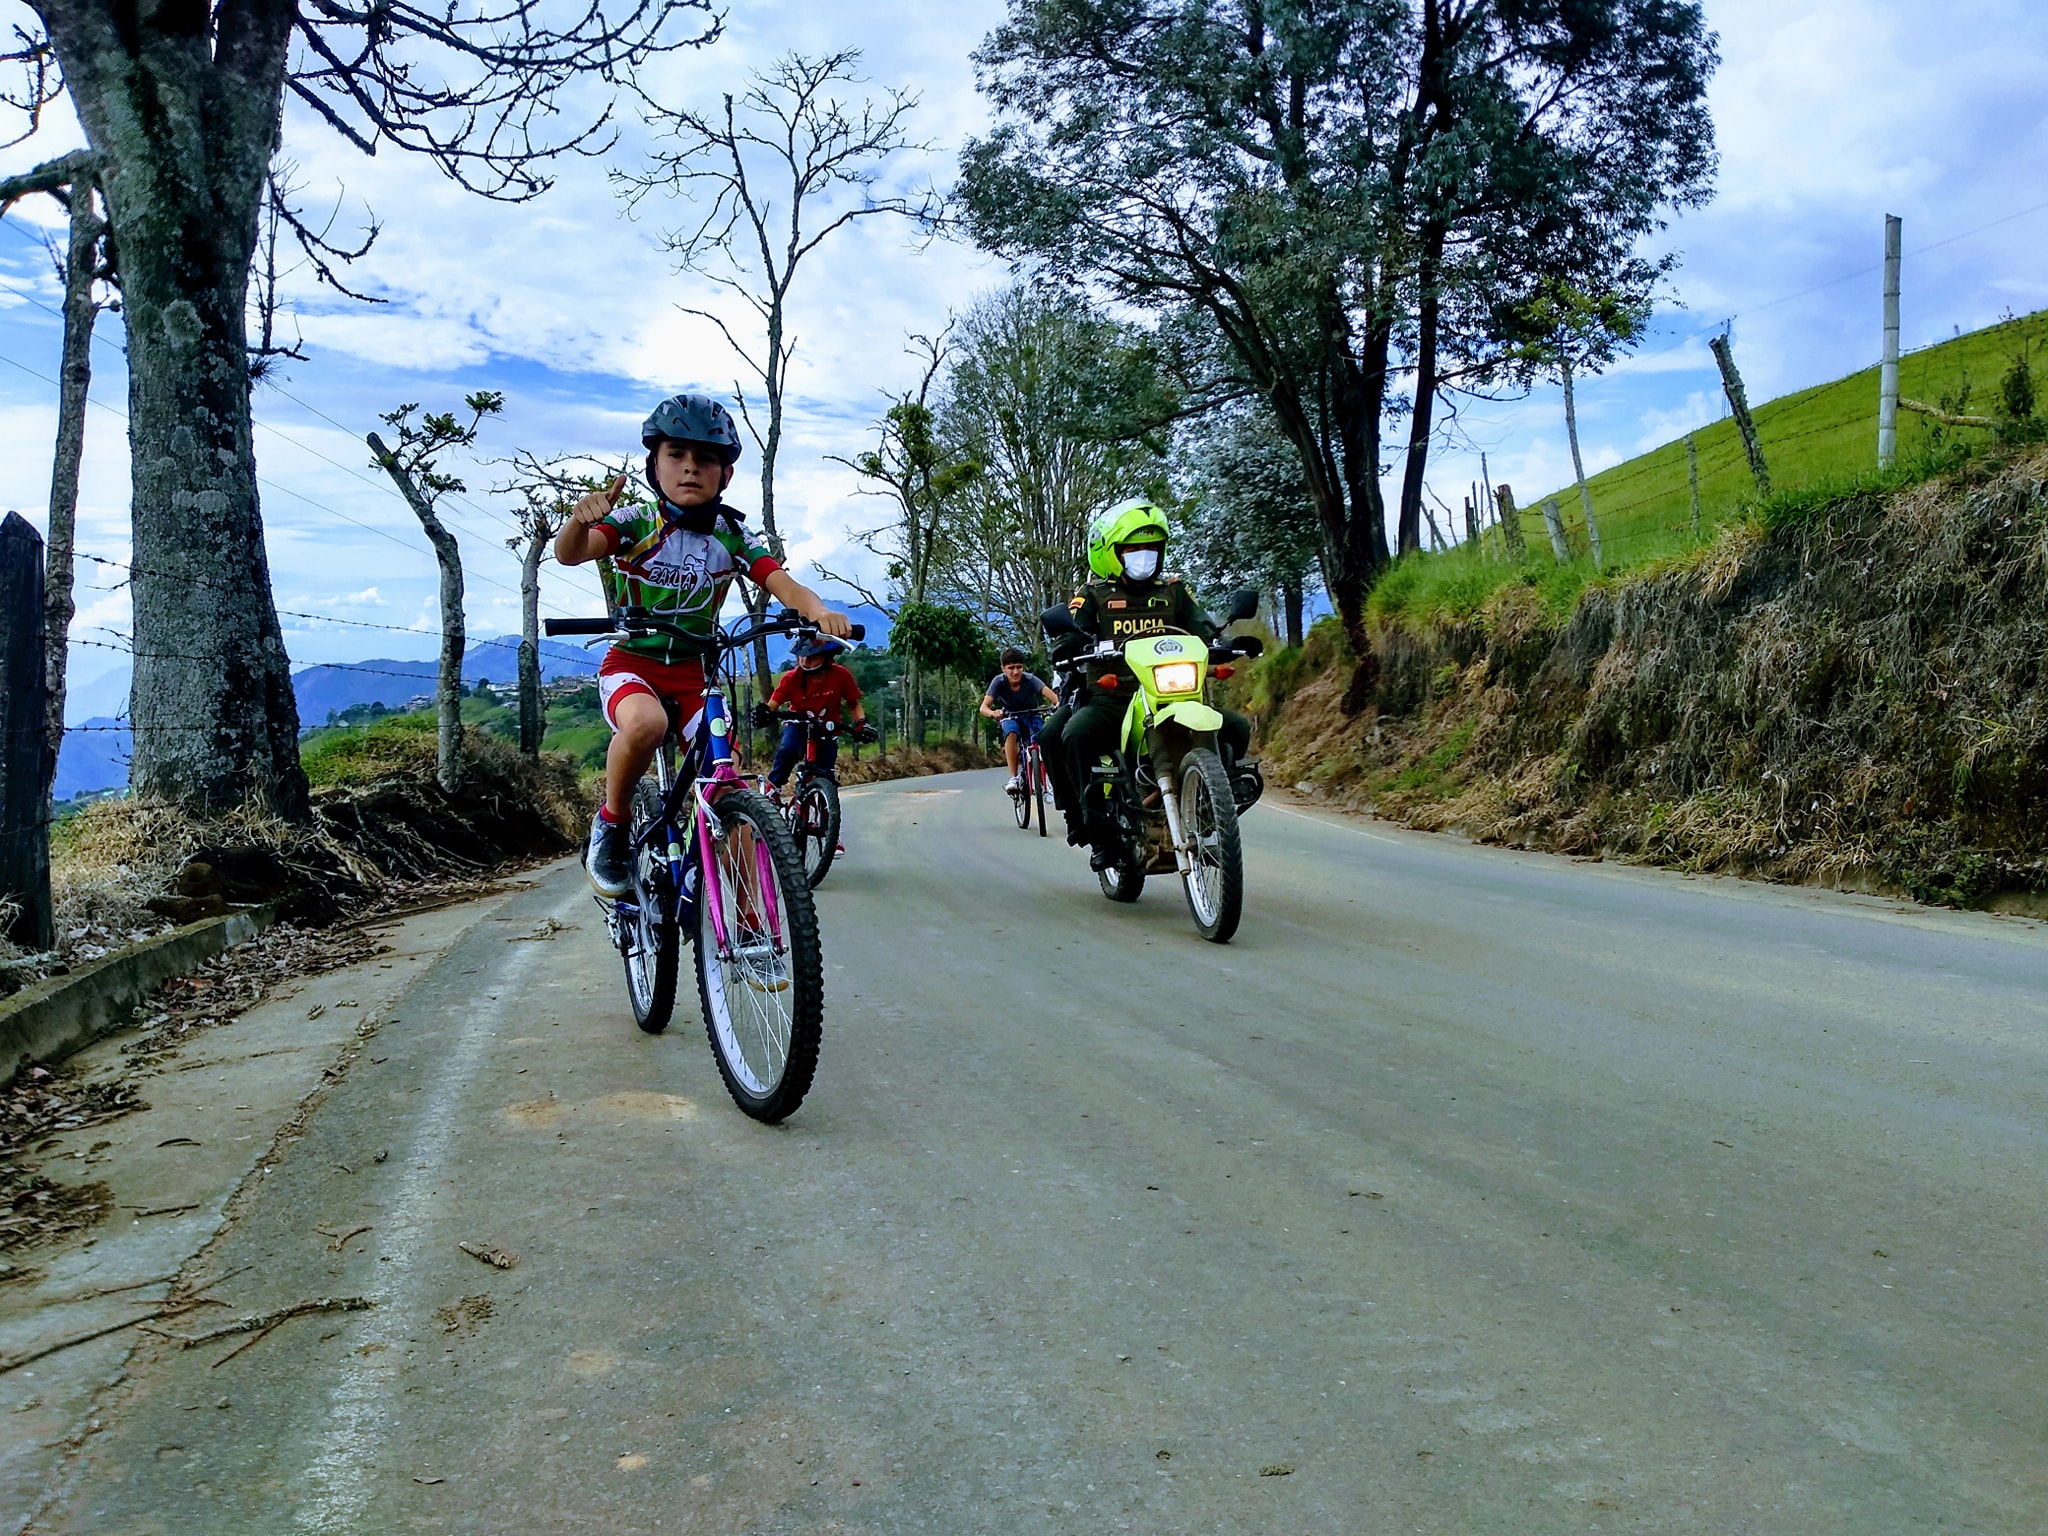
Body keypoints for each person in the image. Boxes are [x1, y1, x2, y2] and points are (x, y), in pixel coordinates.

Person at [556, 392, 851, 897]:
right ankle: (612, 824)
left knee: (728, 785)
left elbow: (782, 582)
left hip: (698, 675)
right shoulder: (634, 522)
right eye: (676, 455)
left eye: (706, 459)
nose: (690, 467)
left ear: (726, 474)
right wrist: (579, 520)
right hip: (633, 665)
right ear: (654, 466)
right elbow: (572, 553)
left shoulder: (730, 535)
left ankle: (752, 925)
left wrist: (817, 611)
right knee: (646, 724)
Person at [1046, 498, 1253, 869]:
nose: (1144, 557)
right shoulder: (1093, 594)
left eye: (1152, 549)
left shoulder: (1173, 591)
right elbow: (1071, 633)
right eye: (1133, 550)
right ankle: (1094, 828)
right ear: (1111, 554)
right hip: (1113, 699)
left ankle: (1213, 806)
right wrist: (1069, 646)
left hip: (1175, 695)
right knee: (1073, 734)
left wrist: (1226, 643)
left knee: (1236, 726)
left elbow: (1203, 627)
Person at [758, 634, 873, 796]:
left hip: (827, 728)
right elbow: (773, 705)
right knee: (788, 750)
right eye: (802, 656)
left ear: (827, 658)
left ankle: (826, 802)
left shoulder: (841, 675)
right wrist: (765, 713)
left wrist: (862, 723)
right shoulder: (791, 678)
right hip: (798, 725)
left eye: (812, 658)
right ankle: (773, 790)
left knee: (826, 773)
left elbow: (853, 703)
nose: (805, 661)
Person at [979, 646, 1060, 791]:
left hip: (1032, 714)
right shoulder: (999, 682)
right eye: (1011, 668)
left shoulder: (1030, 679)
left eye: (1019, 667)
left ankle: (1046, 777)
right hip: (1010, 716)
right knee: (1011, 732)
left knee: (1045, 736)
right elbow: (983, 707)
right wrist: (993, 713)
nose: (1015, 672)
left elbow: (1054, 698)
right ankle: (1014, 777)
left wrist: (1057, 705)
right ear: (1003, 668)